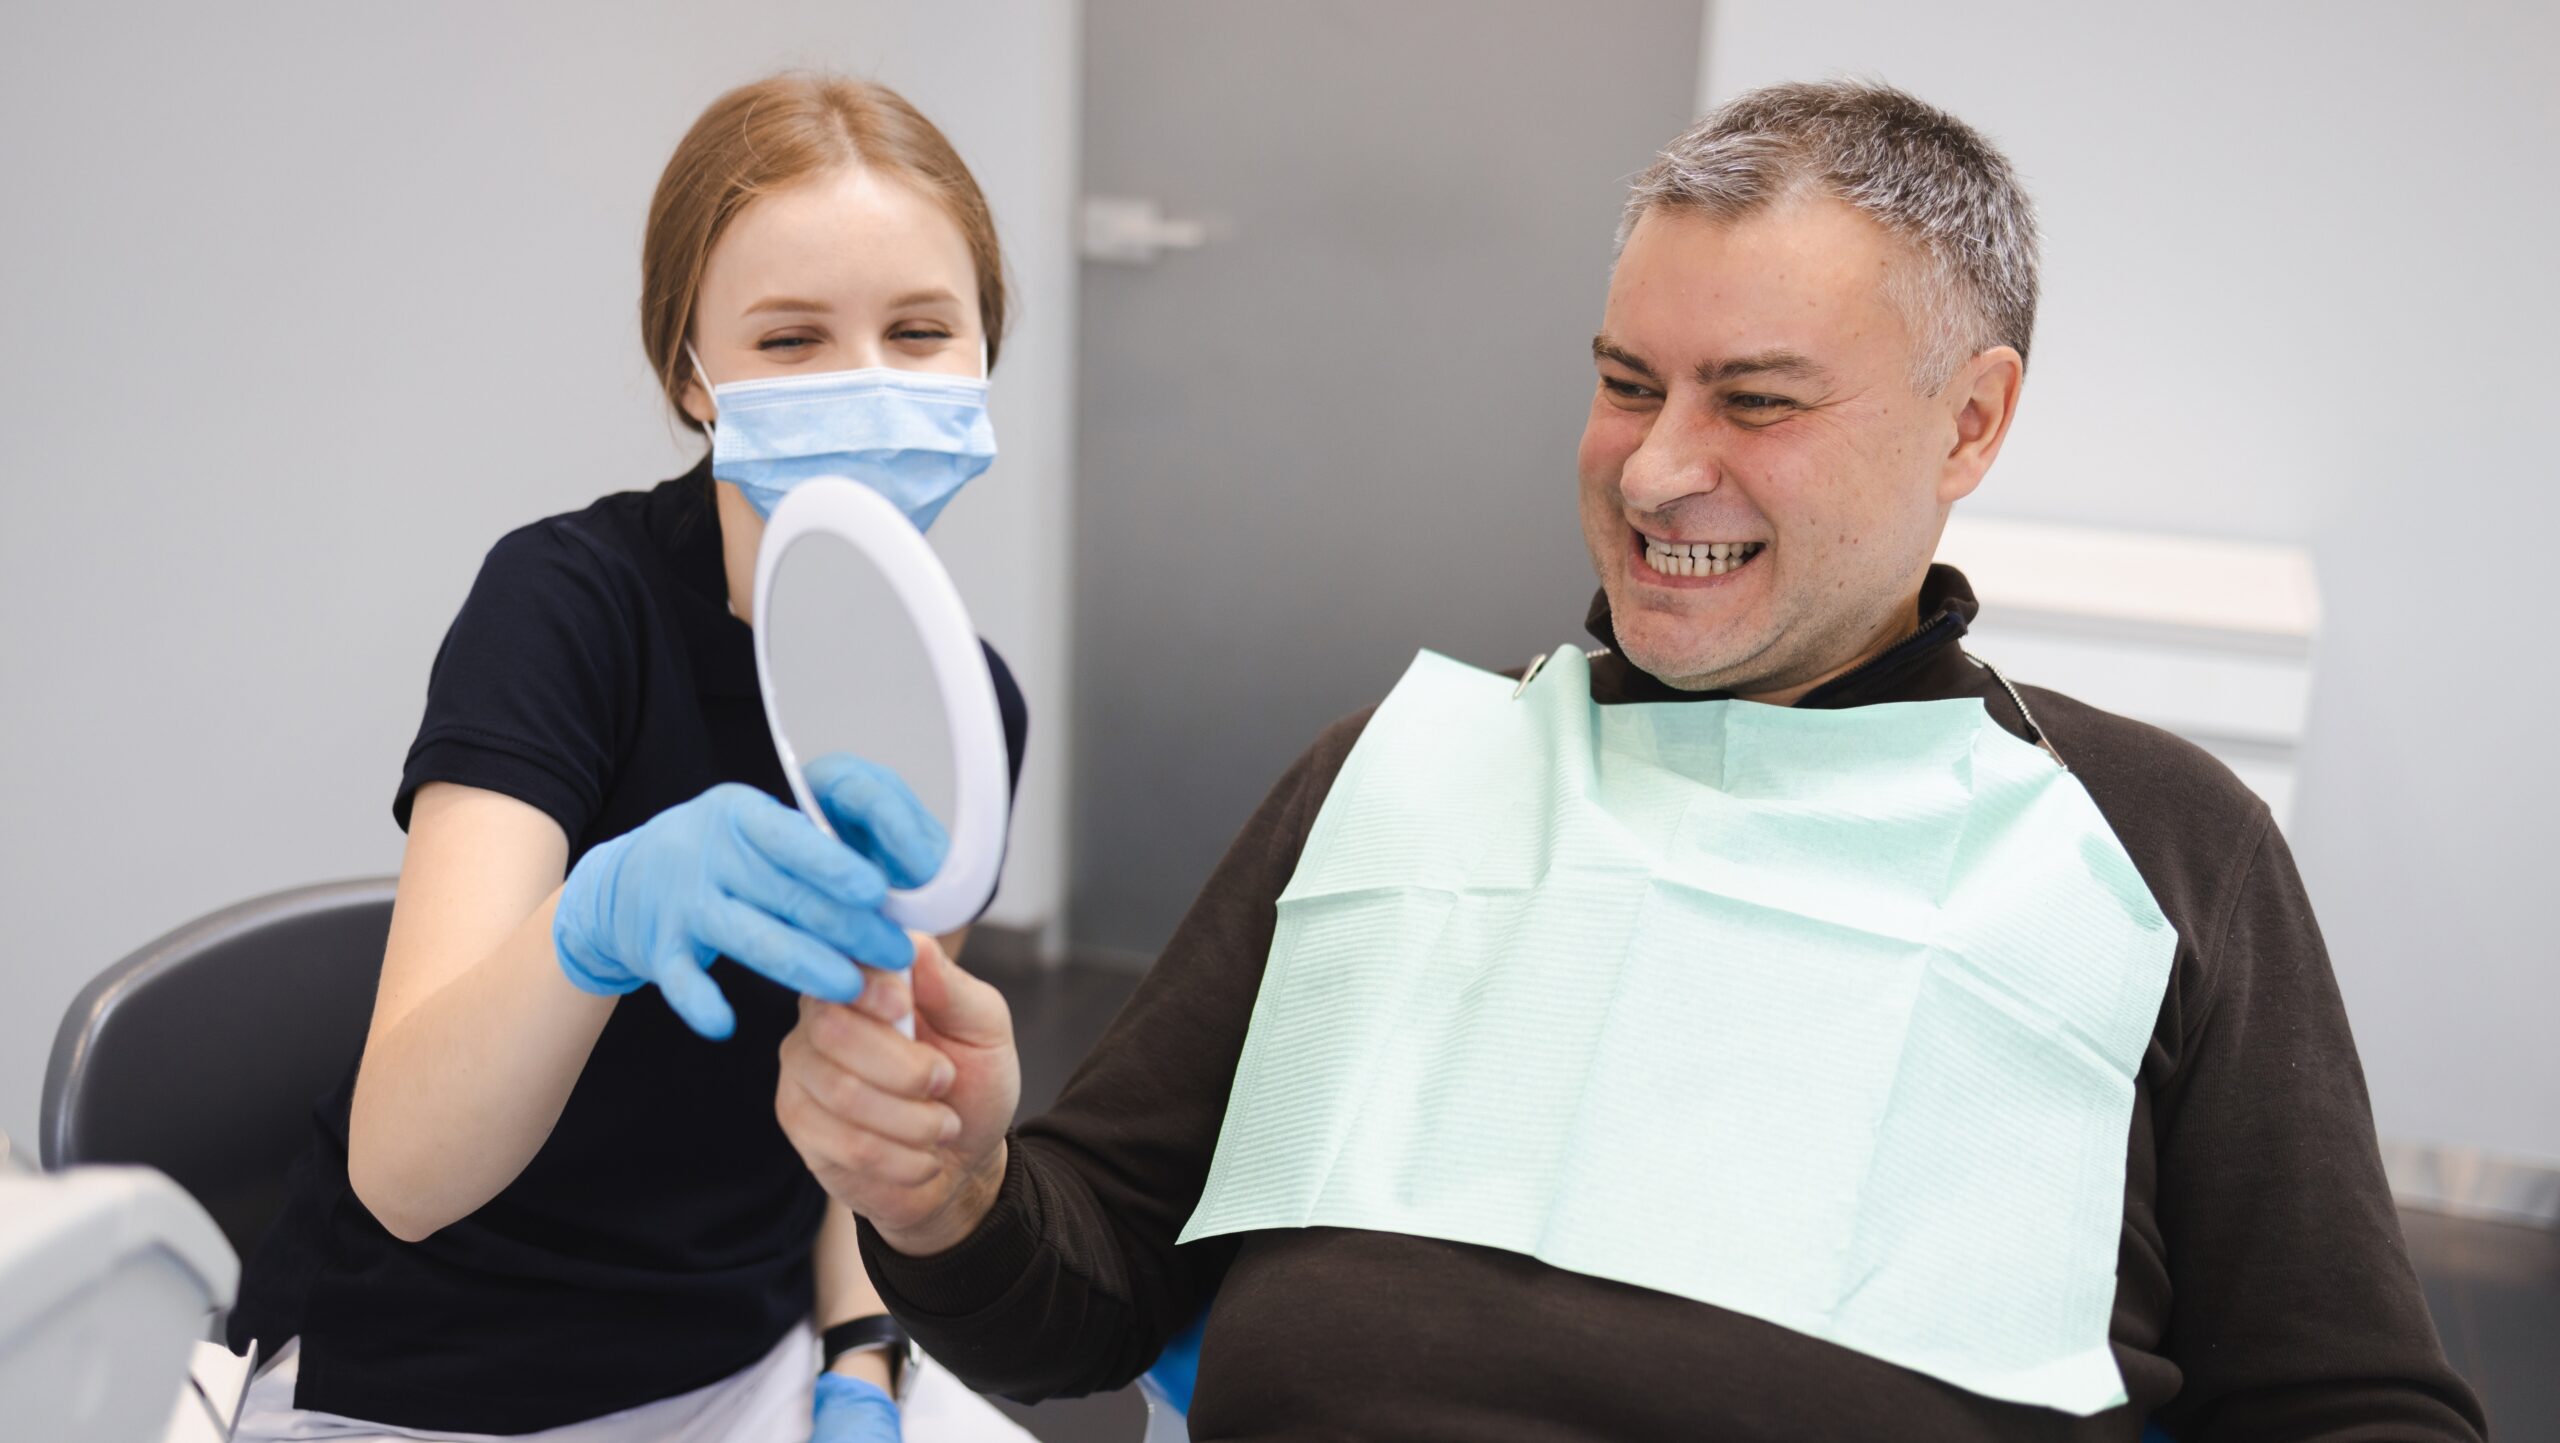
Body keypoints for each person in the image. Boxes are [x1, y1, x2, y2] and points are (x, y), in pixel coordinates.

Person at [775, 81, 2489, 1441]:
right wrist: (951, 1189)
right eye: (1623, 381)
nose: (1659, 472)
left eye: (1755, 401)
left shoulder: (2157, 849)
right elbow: (1086, 1290)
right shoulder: (1397, 770)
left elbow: (2349, 1405)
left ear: (1970, 421)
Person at [225, 72, 1028, 1443]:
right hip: (428, 1379)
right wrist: (586, 935)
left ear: (982, 354)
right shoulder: (565, 609)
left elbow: (862, 1095)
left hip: (754, 1361)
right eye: (791, 340)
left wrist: (862, 1355)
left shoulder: (963, 700)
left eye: (919, 330)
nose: (867, 382)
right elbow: (403, 1169)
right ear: (690, 375)